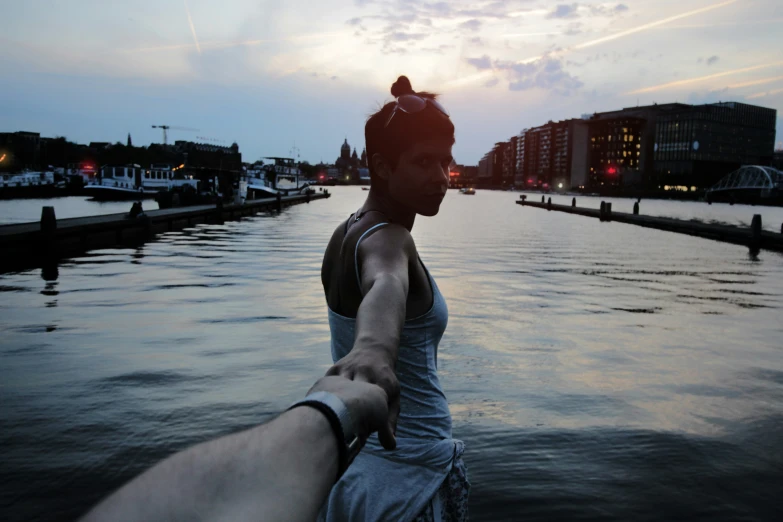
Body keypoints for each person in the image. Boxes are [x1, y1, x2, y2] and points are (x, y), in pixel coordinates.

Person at [320, 75, 469, 521]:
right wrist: (374, 349)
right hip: (409, 482)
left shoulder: (346, 231)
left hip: (358, 471)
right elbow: (387, 283)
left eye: (446, 162)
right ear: (381, 166)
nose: (441, 178)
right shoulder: (389, 240)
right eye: (424, 162)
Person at [79, 376, 393, 522]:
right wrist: (334, 412)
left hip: (345, 469)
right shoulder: (388, 246)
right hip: (386, 464)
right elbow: (385, 282)